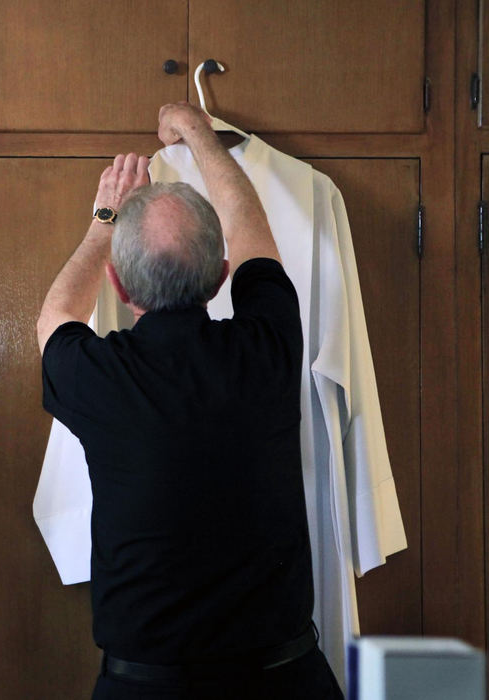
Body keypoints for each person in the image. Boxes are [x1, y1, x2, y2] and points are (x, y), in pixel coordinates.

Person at [36, 103, 344, 699]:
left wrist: (105, 219)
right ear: (222, 275)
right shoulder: (269, 345)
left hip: (147, 690)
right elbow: (246, 220)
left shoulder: (100, 376)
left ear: (120, 288)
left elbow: (56, 316)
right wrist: (196, 130)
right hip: (288, 682)